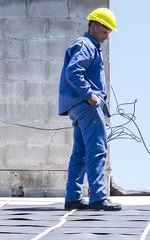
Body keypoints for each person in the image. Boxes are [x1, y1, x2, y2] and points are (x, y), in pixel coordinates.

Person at [58, 7, 122, 211]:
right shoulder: (86, 45)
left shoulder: (88, 45)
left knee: (81, 152)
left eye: (108, 33)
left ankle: (73, 198)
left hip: (78, 106)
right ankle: (98, 198)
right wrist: (90, 95)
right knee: (97, 149)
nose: (106, 37)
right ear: (93, 26)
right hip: (87, 105)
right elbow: (73, 72)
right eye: (104, 31)